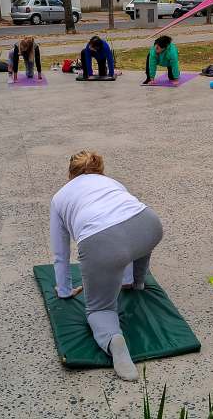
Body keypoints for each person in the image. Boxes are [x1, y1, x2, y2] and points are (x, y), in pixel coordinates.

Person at [49, 151, 163, 381]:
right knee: (134, 242)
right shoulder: (111, 182)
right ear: (100, 169)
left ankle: (113, 339)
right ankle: (136, 281)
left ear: (70, 174)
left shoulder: (59, 197)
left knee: (99, 309)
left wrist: (64, 291)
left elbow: (60, 254)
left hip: (102, 242)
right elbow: (125, 223)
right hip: (150, 225)